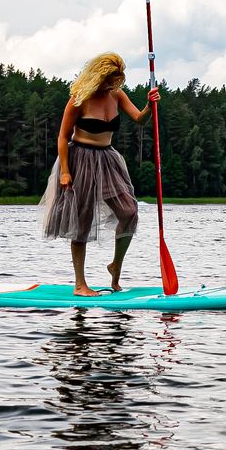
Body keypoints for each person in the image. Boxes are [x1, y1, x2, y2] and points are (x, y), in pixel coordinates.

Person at [40, 52, 160, 296]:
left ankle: (115, 266)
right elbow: (63, 137)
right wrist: (65, 171)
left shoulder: (116, 94)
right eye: (110, 80)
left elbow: (139, 119)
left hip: (108, 159)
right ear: (99, 76)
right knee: (81, 221)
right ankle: (80, 284)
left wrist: (149, 105)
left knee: (129, 210)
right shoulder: (79, 98)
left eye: (117, 80)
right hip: (80, 159)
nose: (113, 85)